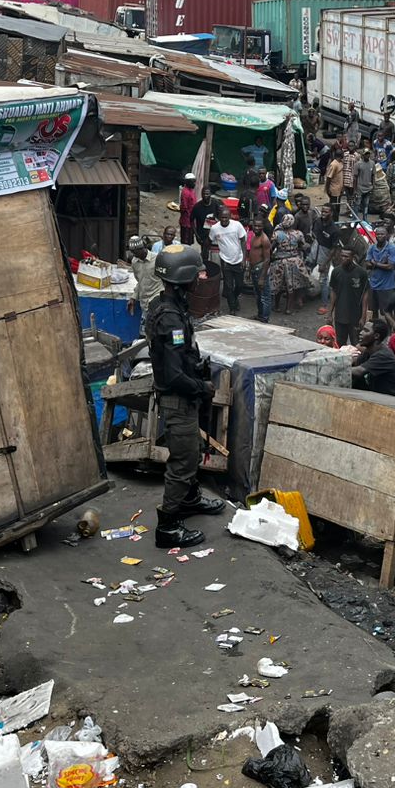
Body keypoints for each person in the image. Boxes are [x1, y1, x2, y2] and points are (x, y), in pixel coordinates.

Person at [146, 245, 225, 549]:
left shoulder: (167, 307)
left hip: (182, 398)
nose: (202, 278)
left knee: (191, 450)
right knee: (183, 460)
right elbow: (172, 375)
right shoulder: (170, 318)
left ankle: (189, 500)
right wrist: (201, 387)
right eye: (198, 273)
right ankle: (167, 526)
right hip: (177, 400)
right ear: (186, 279)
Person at [351, 319, 395, 398]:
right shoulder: (368, 352)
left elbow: (359, 371)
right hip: (383, 398)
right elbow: (355, 363)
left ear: (376, 336)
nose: (361, 333)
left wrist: (335, 367)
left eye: (366, 330)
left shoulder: (383, 355)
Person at [208, 207, 248, 314]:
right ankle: (232, 307)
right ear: (219, 218)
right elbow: (209, 240)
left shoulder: (237, 226)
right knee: (229, 286)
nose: (224, 220)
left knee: (239, 285)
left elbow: (243, 241)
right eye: (222, 218)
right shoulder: (215, 228)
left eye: (226, 217)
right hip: (225, 260)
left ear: (230, 217)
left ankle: (234, 299)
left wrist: (244, 259)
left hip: (238, 259)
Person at [327, 247, 369, 347]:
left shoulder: (361, 273)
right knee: (340, 343)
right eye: (342, 255)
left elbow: (365, 295)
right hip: (340, 315)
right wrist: (330, 313)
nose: (343, 258)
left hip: (355, 316)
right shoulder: (336, 272)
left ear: (353, 257)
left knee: (357, 343)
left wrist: (363, 316)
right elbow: (333, 292)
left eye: (346, 256)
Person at [270, 213, 308, 314]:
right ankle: (288, 308)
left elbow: (271, 248)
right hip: (294, 261)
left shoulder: (277, 234)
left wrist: (271, 257)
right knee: (290, 286)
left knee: (278, 284)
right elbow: (303, 247)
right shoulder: (298, 234)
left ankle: (277, 306)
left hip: (280, 262)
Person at [365, 225, 395, 316]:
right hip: (373, 284)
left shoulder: (391, 248)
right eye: (378, 234)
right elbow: (367, 264)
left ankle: (389, 329)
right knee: (373, 311)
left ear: (387, 235)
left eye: (382, 234)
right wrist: (382, 263)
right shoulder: (372, 248)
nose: (380, 236)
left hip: (386, 286)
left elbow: (390, 267)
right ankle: (375, 329)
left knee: (386, 311)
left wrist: (375, 263)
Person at [315, 203, 341, 314]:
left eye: (326, 212)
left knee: (323, 280)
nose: (323, 213)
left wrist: (325, 263)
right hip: (314, 249)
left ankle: (324, 305)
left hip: (325, 253)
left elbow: (333, 249)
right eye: (323, 211)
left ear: (331, 213)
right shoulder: (317, 221)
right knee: (305, 271)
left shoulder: (334, 229)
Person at [126, 235, 162, 314]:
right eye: (131, 251)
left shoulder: (157, 259)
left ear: (142, 248)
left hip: (157, 299)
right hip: (144, 303)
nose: (133, 254)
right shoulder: (135, 262)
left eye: (135, 252)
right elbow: (140, 281)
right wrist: (133, 297)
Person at [248, 217, 273, 323]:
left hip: (261, 269)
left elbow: (267, 259)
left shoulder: (264, 239)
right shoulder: (254, 237)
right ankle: (260, 315)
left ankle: (265, 319)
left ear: (263, 227)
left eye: (259, 226)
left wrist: (262, 277)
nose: (256, 228)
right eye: (255, 225)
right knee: (258, 295)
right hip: (254, 269)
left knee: (264, 296)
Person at [191, 186, 218, 255]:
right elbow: (191, 221)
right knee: (204, 252)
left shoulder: (215, 204)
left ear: (210, 194)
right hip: (202, 234)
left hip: (213, 233)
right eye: (203, 194)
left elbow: (220, 216)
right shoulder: (197, 207)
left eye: (207, 194)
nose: (205, 196)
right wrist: (196, 235)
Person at [354, 145, 375, 220]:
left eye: (368, 154)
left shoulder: (372, 163)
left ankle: (365, 219)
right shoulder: (358, 164)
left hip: (368, 187)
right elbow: (355, 177)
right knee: (357, 204)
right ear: (363, 155)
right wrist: (355, 189)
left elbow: (373, 175)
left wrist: (373, 186)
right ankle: (355, 219)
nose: (367, 155)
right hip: (360, 187)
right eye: (366, 154)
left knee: (366, 205)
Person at [179, 173, 198, 245]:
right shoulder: (185, 192)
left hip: (191, 220)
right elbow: (184, 207)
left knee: (190, 239)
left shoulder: (191, 191)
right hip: (187, 221)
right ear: (187, 182)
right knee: (186, 241)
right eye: (192, 182)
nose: (194, 183)